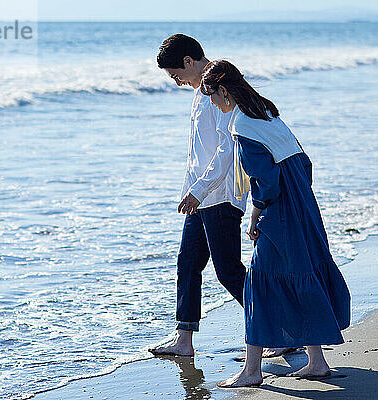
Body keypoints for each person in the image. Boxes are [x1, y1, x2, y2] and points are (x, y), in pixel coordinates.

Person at [200, 60, 351, 387]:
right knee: (301, 273)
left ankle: (252, 371)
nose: (211, 102)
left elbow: (265, 181)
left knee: (259, 284)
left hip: (280, 209)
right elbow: (305, 164)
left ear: (224, 91)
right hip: (303, 204)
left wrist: (256, 214)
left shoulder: (242, 124)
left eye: (211, 94)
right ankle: (317, 362)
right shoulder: (268, 115)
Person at [148, 34, 248, 357]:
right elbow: (197, 153)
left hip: (219, 196)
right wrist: (190, 192)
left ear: (189, 62)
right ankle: (184, 340)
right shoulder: (197, 92)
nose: (175, 81)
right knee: (188, 263)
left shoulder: (217, 87)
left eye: (175, 73)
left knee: (229, 271)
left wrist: (200, 190)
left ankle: (281, 329)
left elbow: (225, 148)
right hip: (199, 199)